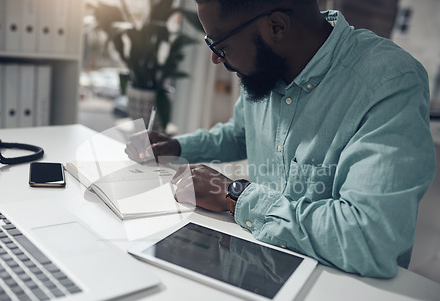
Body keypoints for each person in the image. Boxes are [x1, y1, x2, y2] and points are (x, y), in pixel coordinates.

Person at [125, 0, 436, 278]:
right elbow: (240, 132)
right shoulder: (268, 66)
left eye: (219, 44)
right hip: (261, 259)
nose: (216, 59)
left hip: (344, 289)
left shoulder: (390, 82)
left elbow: (370, 239)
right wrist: (178, 146)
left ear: (276, 26)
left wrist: (232, 195)